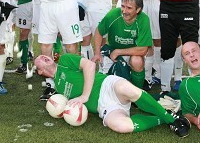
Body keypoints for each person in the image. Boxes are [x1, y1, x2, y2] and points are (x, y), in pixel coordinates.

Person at [34, 53, 191, 137]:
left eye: (42, 55)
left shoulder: (65, 60)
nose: (42, 56)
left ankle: (172, 120)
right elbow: (62, 108)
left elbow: (89, 65)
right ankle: (164, 117)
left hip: (107, 85)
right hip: (105, 107)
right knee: (121, 126)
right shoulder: (57, 90)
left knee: (128, 89)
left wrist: (84, 96)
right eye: (38, 60)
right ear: (40, 72)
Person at [91, 0, 152, 89]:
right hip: (112, 51)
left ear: (138, 9)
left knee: (137, 61)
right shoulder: (113, 14)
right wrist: (97, 53)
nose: (124, 11)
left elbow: (143, 49)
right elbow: (99, 31)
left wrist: (119, 52)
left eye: (129, 8)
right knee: (103, 85)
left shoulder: (143, 19)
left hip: (131, 53)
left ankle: (137, 93)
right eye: (123, 6)